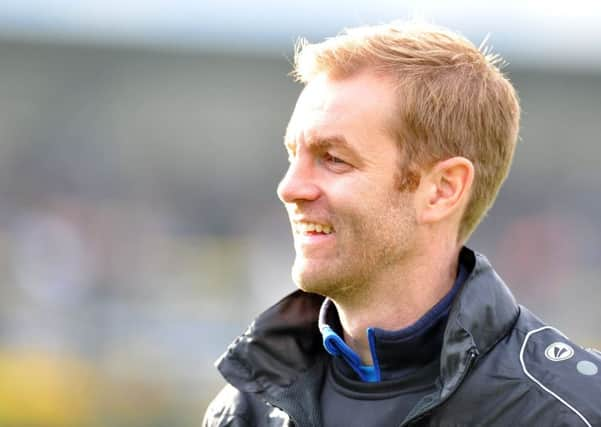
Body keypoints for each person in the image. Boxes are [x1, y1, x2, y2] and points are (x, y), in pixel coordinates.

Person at [203, 21, 601, 426]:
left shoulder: (573, 411)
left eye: (334, 158)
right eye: (293, 155)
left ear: (442, 189)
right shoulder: (243, 409)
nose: (289, 188)